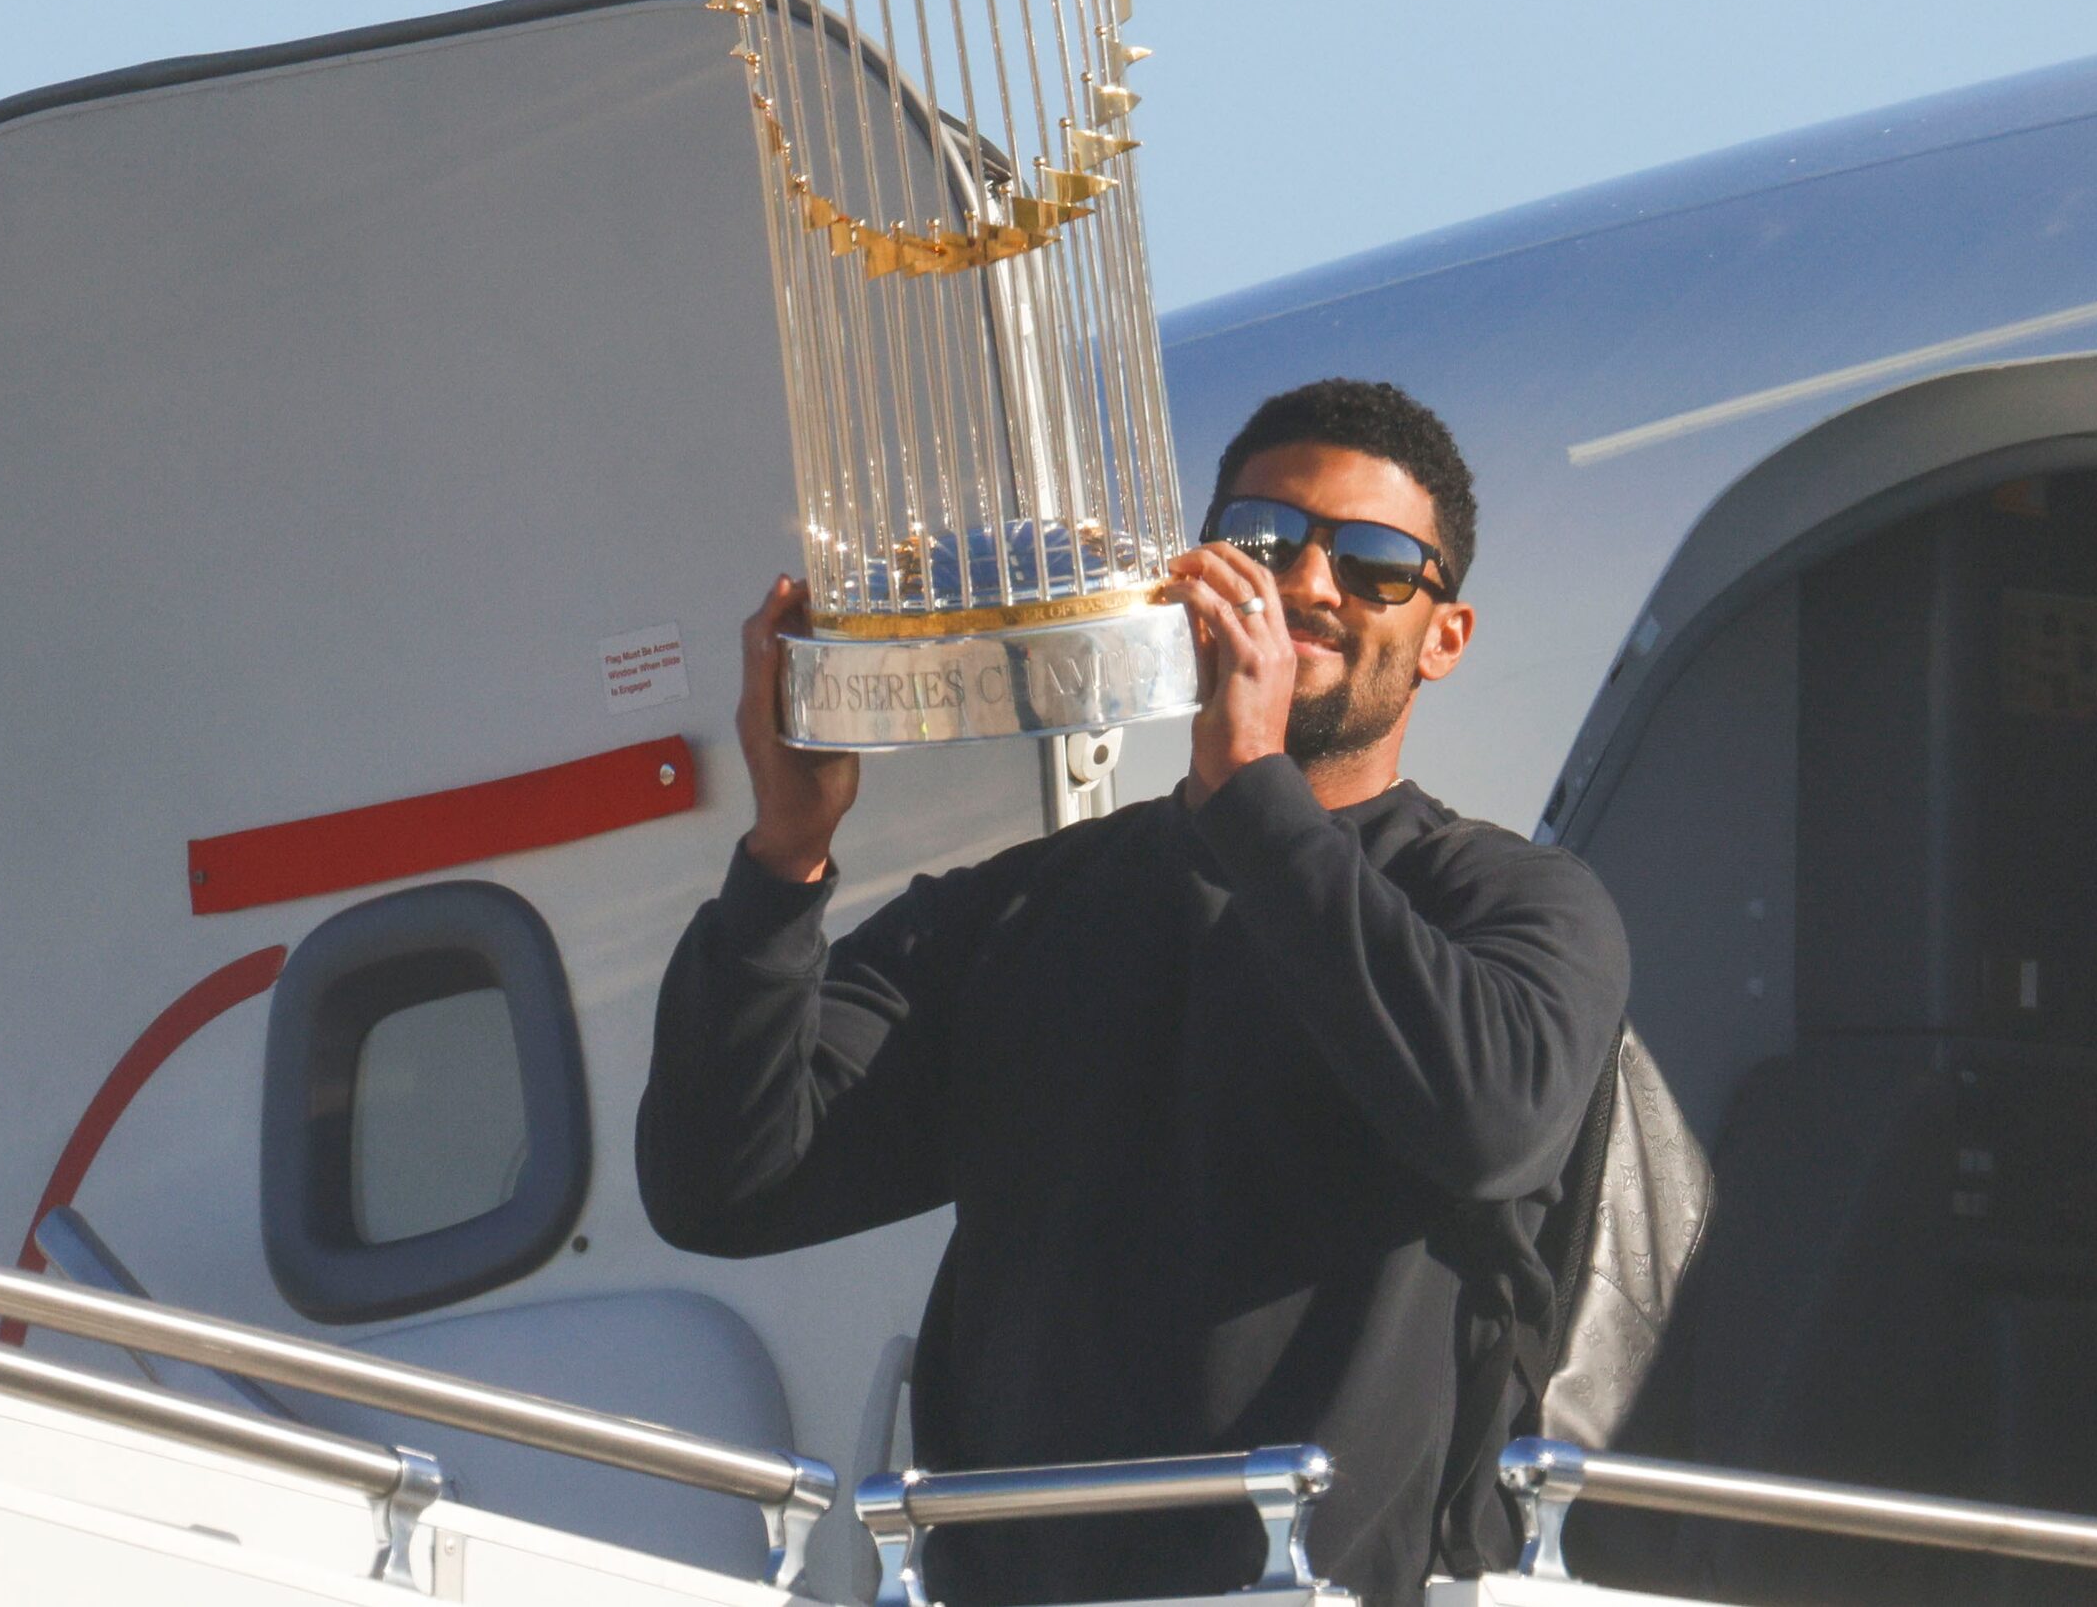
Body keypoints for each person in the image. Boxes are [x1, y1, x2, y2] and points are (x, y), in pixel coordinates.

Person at [637, 379, 1628, 1607]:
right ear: (1193, 571)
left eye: (1376, 565)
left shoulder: (1516, 903)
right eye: (1267, 541)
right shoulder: (1014, 910)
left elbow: (1485, 1122)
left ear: (1443, 635)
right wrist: (784, 856)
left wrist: (1251, 790)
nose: (1311, 585)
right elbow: (721, 1184)